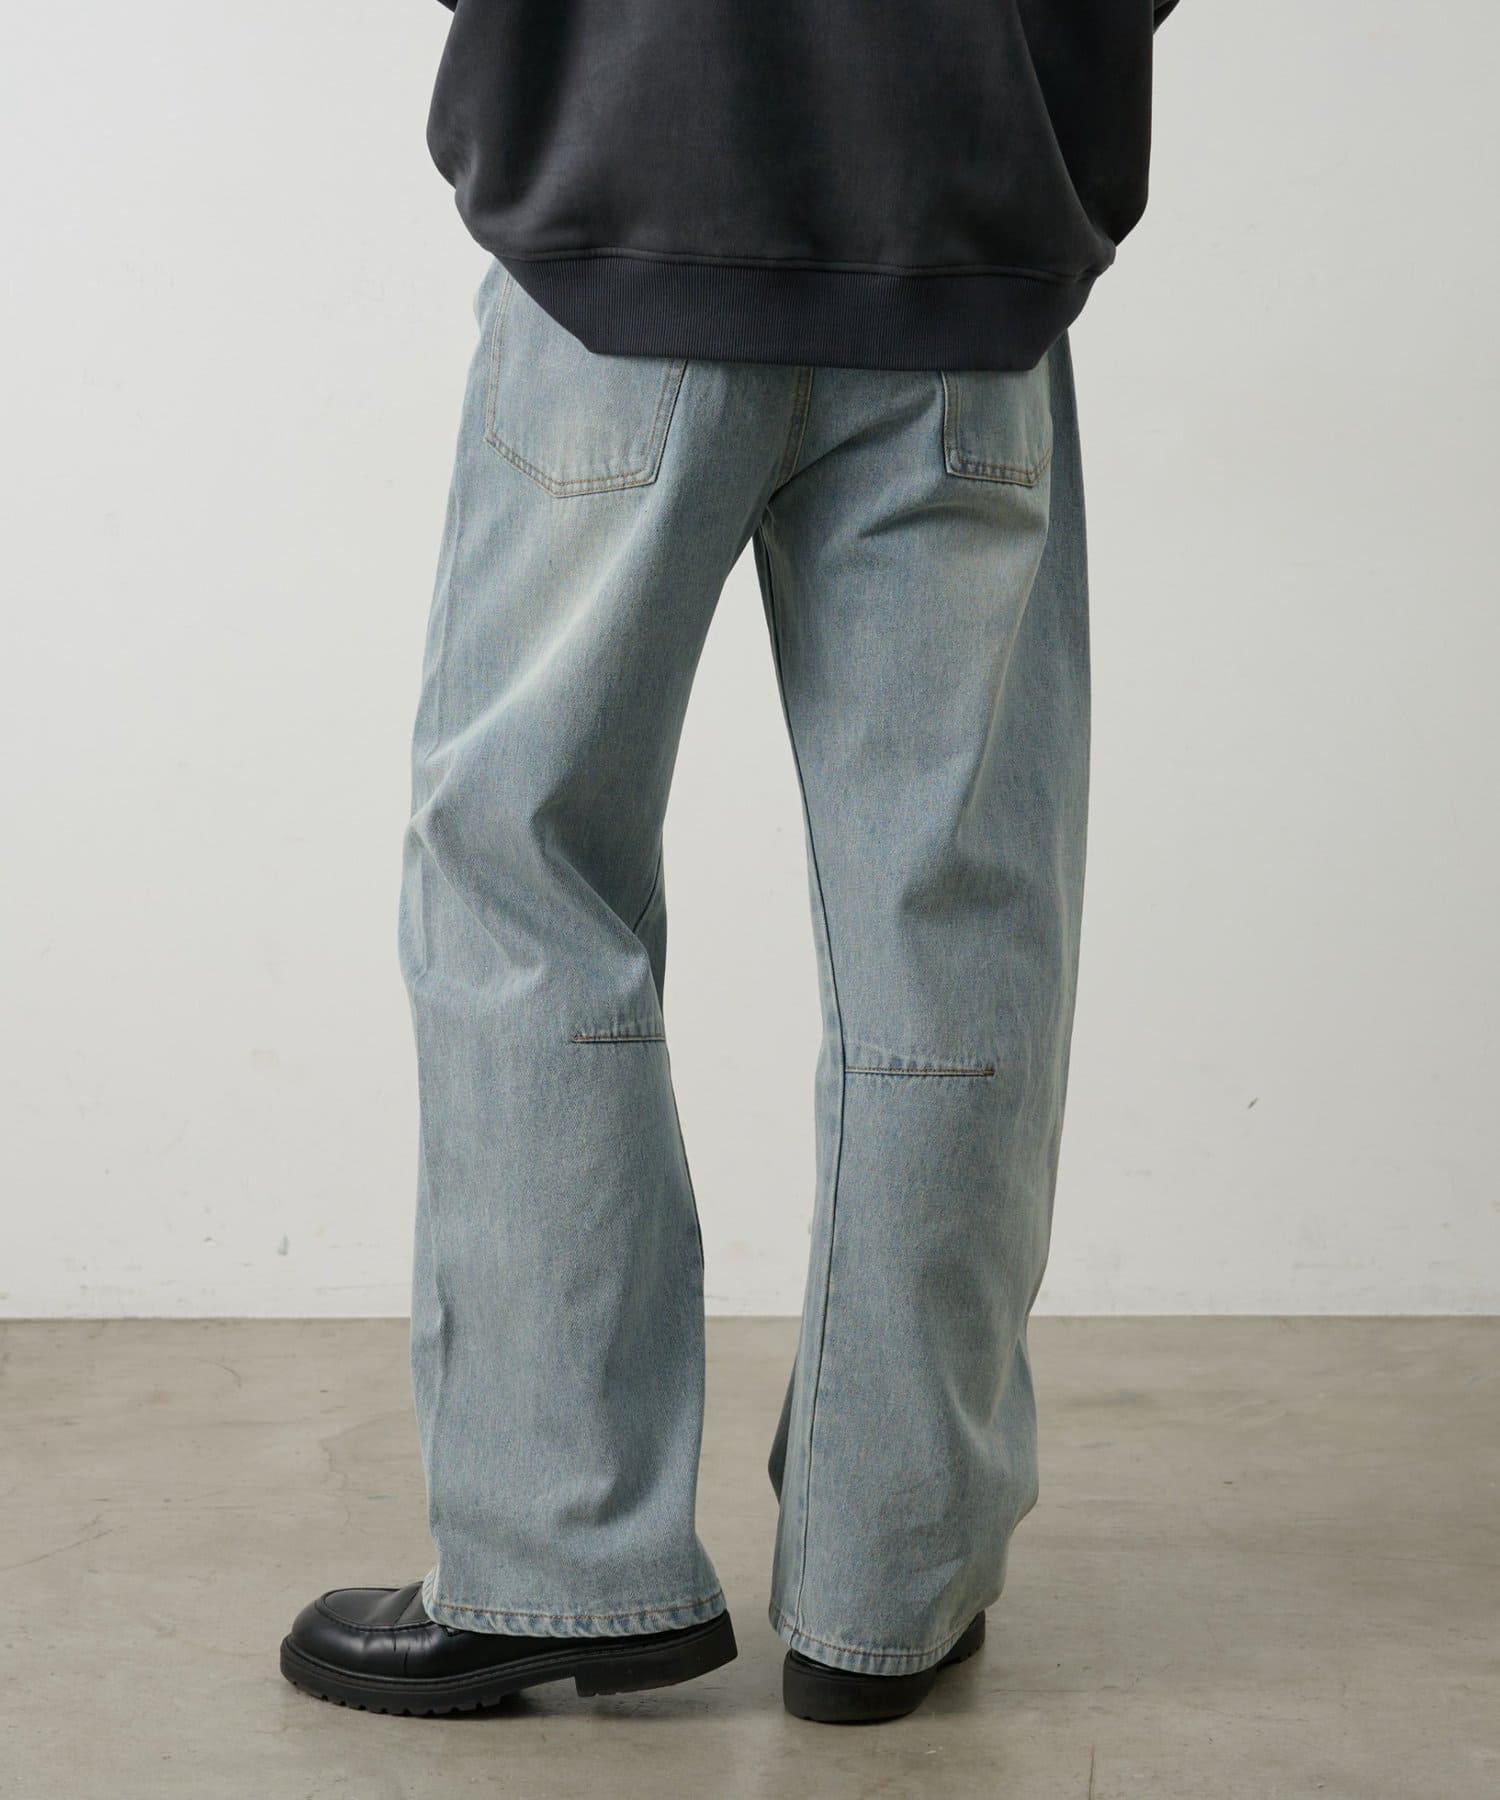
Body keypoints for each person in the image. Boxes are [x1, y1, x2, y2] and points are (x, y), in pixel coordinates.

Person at [279, 0, 1181, 1726]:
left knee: (521, 877)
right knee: (955, 920)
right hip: (961, 245)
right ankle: (893, 1578)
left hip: (630, 210)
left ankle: (557, 1553)